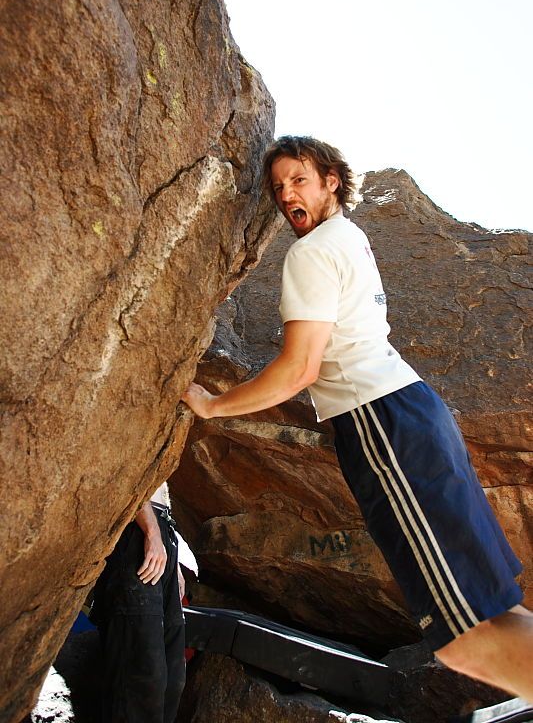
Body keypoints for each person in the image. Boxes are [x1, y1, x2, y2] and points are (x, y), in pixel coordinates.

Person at [181, 135, 533, 702]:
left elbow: (299, 370)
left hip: (384, 424)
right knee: (488, 607)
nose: (286, 193)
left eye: (299, 178)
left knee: (466, 633)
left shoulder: (313, 250)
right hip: (415, 414)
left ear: (331, 181)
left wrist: (214, 405)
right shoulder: (351, 238)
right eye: (277, 186)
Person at [91, 482, 192, 723]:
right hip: (135, 531)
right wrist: (151, 533)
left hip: (162, 532)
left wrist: (172, 560)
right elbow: (125, 475)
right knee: (144, 674)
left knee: (173, 678)